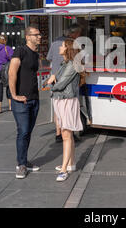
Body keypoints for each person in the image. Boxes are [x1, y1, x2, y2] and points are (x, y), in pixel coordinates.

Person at [47, 38, 85, 182]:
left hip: (67, 101)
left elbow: (61, 83)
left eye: (62, 46)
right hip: (63, 100)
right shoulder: (66, 63)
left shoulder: (71, 65)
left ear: (68, 49)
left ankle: (64, 169)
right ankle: (71, 164)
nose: (59, 48)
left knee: (66, 135)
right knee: (67, 134)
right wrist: (53, 80)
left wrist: (51, 83)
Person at [9, 25, 42, 179]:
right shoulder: (20, 51)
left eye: (40, 34)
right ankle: (21, 165)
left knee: (27, 132)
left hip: (34, 99)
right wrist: (14, 95)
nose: (39, 37)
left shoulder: (36, 54)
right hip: (21, 100)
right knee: (22, 131)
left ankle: (24, 160)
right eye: (36, 35)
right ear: (28, 37)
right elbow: (12, 72)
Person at [46, 24, 82, 142]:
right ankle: (68, 133)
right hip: (64, 81)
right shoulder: (72, 44)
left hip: (55, 76)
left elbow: (49, 58)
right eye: (78, 33)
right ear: (74, 34)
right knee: (68, 108)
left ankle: (58, 133)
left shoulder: (55, 41)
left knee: (58, 108)